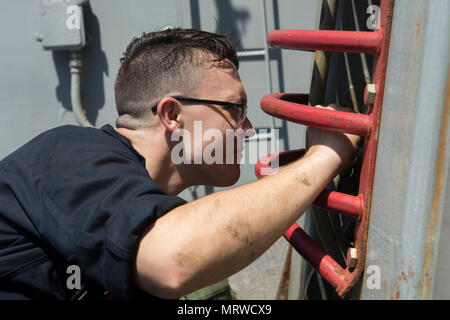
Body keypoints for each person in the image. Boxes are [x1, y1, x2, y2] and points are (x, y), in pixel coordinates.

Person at [0, 28, 359, 300]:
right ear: (172, 114)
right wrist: (323, 157)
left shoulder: (155, 222)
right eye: (237, 109)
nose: (248, 131)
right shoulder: (67, 154)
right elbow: (175, 262)